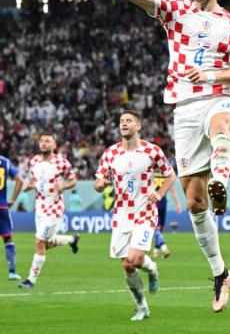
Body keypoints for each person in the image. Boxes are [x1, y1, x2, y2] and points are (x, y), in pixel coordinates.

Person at [104, 0, 230, 312]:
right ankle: (220, 273)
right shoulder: (177, 11)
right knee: (196, 202)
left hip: (220, 97)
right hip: (184, 109)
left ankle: (221, 180)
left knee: (221, 127)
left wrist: (212, 76)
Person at [94, 111, 176, 321]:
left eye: (129, 121)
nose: (124, 124)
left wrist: (159, 193)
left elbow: (170, 175)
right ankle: (142, 307)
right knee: (128, 265)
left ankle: (152, 268)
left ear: (138, 125)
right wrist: (100, 184)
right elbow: (99, 181)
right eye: (121, 121)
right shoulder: (110, 153)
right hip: (121, 215)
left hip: (144, 212)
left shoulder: (152, 151)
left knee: (136, 258)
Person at [18, 133, 80, 288]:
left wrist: (64, 186)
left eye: (48, 141)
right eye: (42, 141)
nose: (44, 143)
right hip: (39, 207)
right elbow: (34, 180)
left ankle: (30, 280)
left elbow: (73, 180)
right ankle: (71, 240)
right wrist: (29, 186)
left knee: (39, 242)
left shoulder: (61, 163)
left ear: (54, 146)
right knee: (45, 243)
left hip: (54, 208)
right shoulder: (34, 162)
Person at [0, 155, 23, 280]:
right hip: (1, 206)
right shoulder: (5, 161)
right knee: (7, 238)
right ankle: (12, 272)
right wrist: (13, 199)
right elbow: (19, 180)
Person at [151, 173, 182, 259]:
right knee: (158, 228)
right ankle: (163, 249)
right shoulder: (166, 175)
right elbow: (172, 190)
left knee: (158, 228)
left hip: (154, 201)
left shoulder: (152, 174)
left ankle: (156, 252)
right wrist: (178, 203)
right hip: (163, 202)